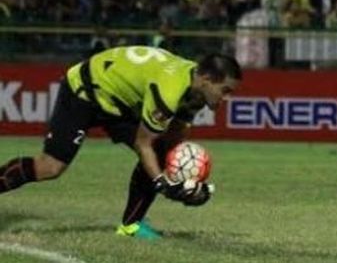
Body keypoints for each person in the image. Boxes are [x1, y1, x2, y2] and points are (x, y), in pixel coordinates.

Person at [0, 46, 241, 239]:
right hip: (86, 90)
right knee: (51, 167)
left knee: (159, 155)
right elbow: (143, 144)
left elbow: (174, 138)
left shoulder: (196, 89)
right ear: (207, 79)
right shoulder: (169, 90)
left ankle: (131, 226)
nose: (228, 98)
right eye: (226, 90)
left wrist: (182, 179)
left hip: (118, 100)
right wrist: (163, 183)